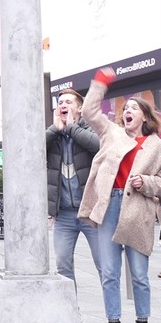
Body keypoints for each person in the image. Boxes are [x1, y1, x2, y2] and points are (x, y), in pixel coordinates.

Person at [79, 68, 161, 323]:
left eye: (133, 108)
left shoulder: (158, 145)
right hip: (109, 206)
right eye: (125, 108)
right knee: (109, 272)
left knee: (140, 275)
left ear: (144, 115)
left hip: (137, 210)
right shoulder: (112, 132)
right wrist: (100, 83)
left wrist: (146, 182)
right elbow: (89, 112)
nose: (127, 111)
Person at [45, 88, 104, 292]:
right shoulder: (53, 133)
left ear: (80, 108)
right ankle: (70, 315)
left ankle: (113, 320)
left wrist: (71, 128)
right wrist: (56, 129)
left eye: (68, 102)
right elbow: (34, 150)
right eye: (60, 102)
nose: (63, 105)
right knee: (63, 267)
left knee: (104, 267)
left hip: (91, 214)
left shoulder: (91, 128)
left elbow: (97, 145)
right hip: (64, 215)